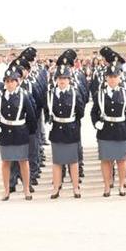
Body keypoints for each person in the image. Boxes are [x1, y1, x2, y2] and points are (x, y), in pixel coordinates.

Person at [90, 65, 126, 197]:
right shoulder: (99, 94)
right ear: (106, 78)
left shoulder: (124, 92)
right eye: (110, 77)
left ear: (119, 78)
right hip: (105, 131)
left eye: (115, 77)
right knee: (106, 160)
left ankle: (122, 185)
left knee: (121, 160)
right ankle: (107, 186)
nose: (112, 80)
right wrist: (96, 123)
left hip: (120, 130)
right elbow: (94, 112)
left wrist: (123, 120)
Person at [0, 70, 37, 200]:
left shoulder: (24, 95)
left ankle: (26, 189)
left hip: (20, 131)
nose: (10, 83)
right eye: (7, 81)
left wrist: (30, 132)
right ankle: (6, 190)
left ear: (17, 82)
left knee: (23, 161)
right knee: (6, 162)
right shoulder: (0, 96)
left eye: (12, 81)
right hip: (5, 132)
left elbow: (31, 115)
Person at [44, 66, 84, 199]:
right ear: (56, 79)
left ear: (69, 80)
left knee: (73, 161)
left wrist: (72, 124)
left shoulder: (74, 93)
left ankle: (75, 188)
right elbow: (46, 110)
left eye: (65, 78)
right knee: (57, 161)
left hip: (70, 129)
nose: (62, 81)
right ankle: (56, 188)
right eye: (60, 78)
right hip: (56, 130)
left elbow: (80, 112)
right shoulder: (50, 94)